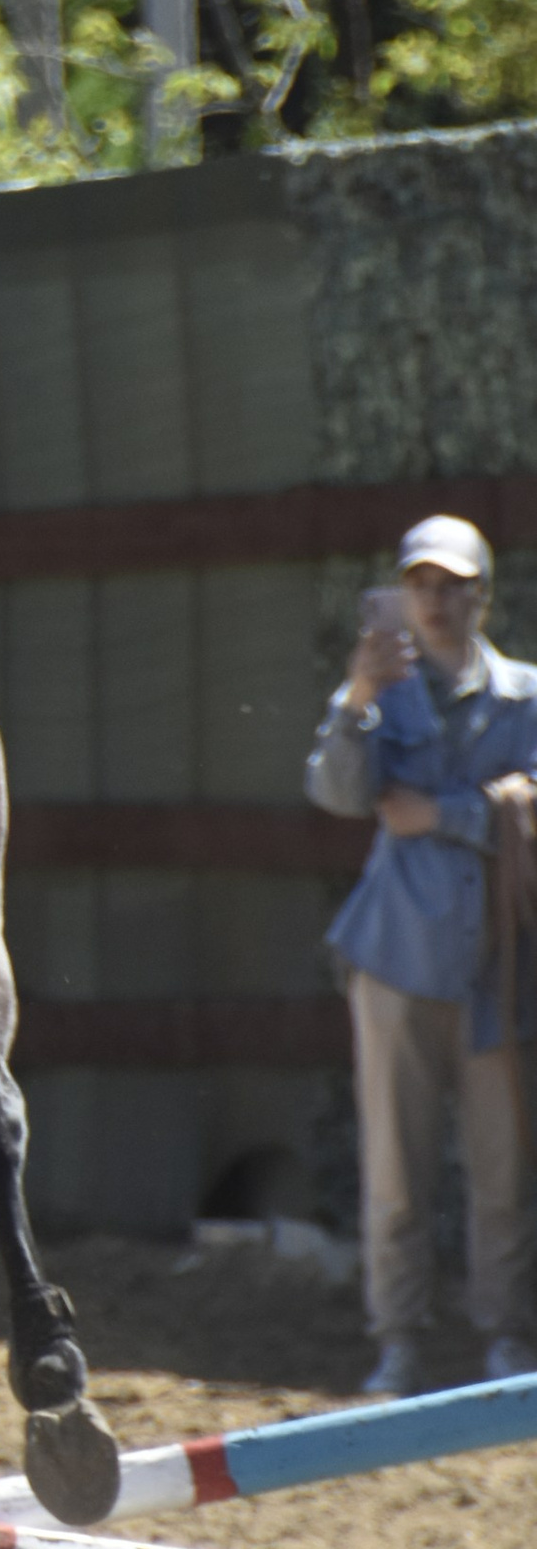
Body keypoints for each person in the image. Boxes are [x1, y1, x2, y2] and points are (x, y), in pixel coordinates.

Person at [306, 514, 537, 1398]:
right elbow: (335, 792)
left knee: (502, 1168)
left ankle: (504, 1338)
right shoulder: (381, 690)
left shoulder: (523, 698)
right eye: (420, 584)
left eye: (451, 585)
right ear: (403, 594)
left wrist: (445, 815)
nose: (434, 601)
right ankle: (398, 1339)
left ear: (483, 594)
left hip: (496, 968)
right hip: (396, 961)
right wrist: (355, 697)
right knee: (396, 1169)